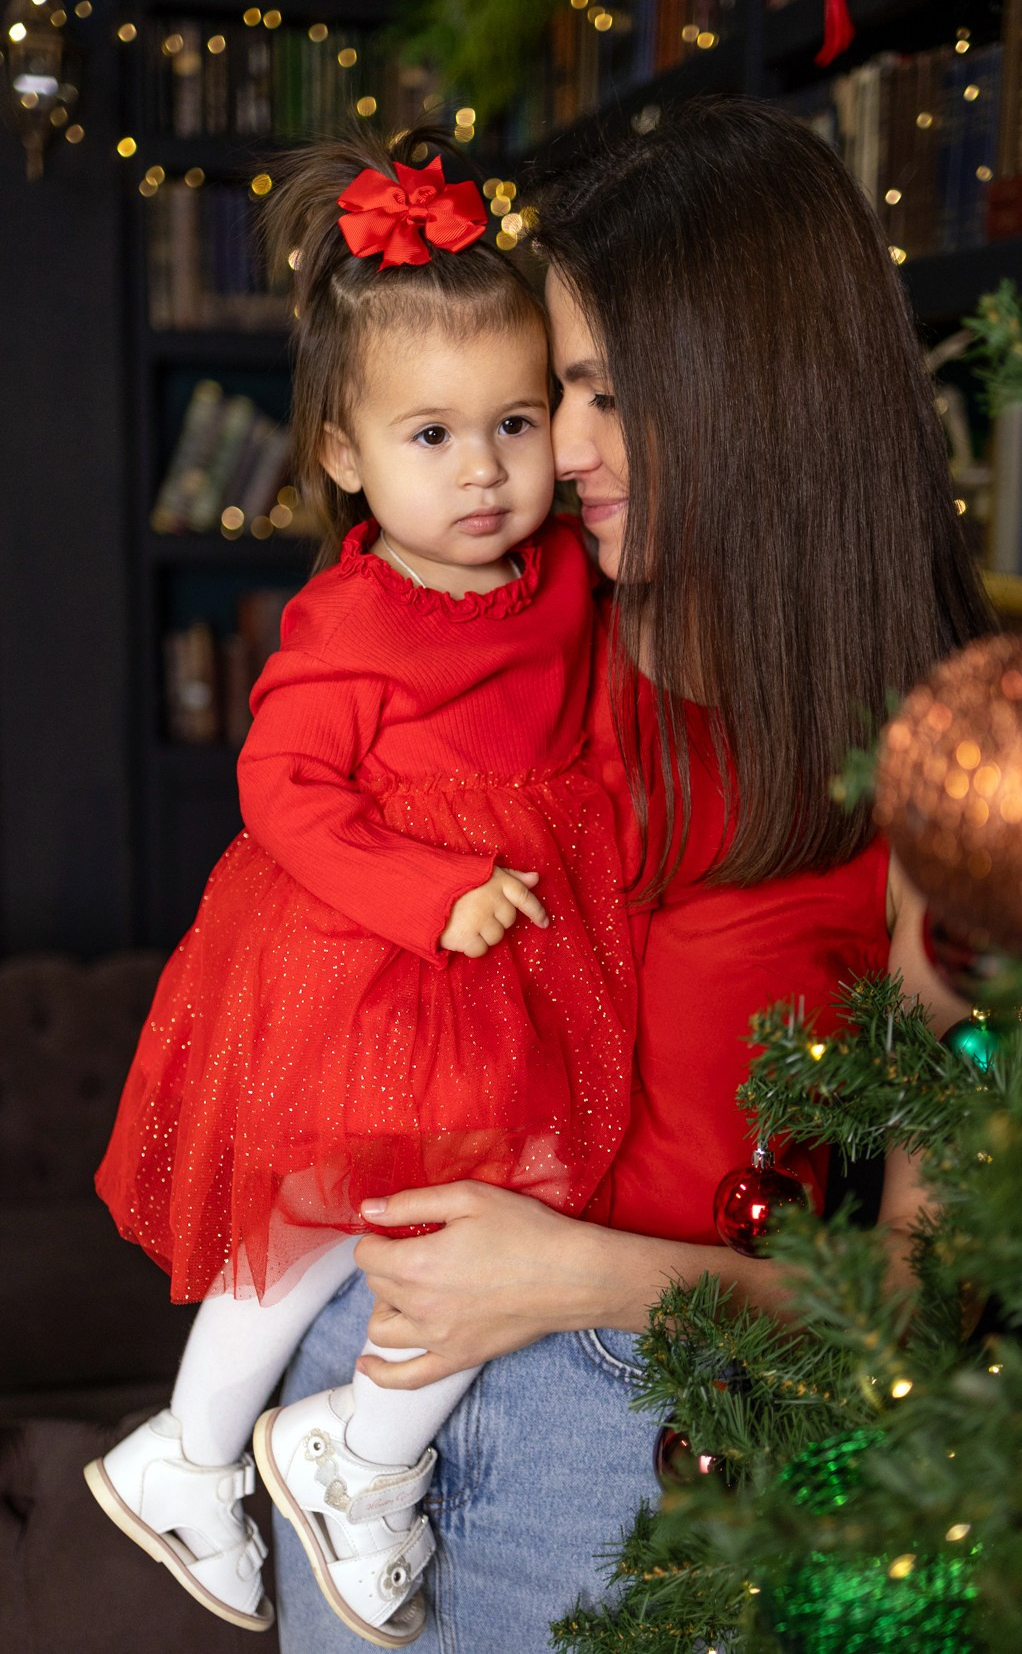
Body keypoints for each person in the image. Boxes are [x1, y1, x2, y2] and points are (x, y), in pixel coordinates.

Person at [271, 97, 997, 1653]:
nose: (558, 451)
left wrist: (581, 1278)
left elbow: (922, 1309)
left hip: (632, 1439)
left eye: (605, 393)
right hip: (349, 1378)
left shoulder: (939, 776)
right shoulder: (505, 630)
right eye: (552, 392)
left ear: (763, 396)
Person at [85, 128, 638, 1646]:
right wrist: (424, 893)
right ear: (337, 453)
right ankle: (213, 1453)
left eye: (515, 423)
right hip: (373, 953)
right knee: (329, 1219)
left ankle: (285, 1454)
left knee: (470, 1214)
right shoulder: (350, 624)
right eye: (430, 436)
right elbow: (281, 794)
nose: (482, 470)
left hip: (517, 944)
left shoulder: (564, 580)